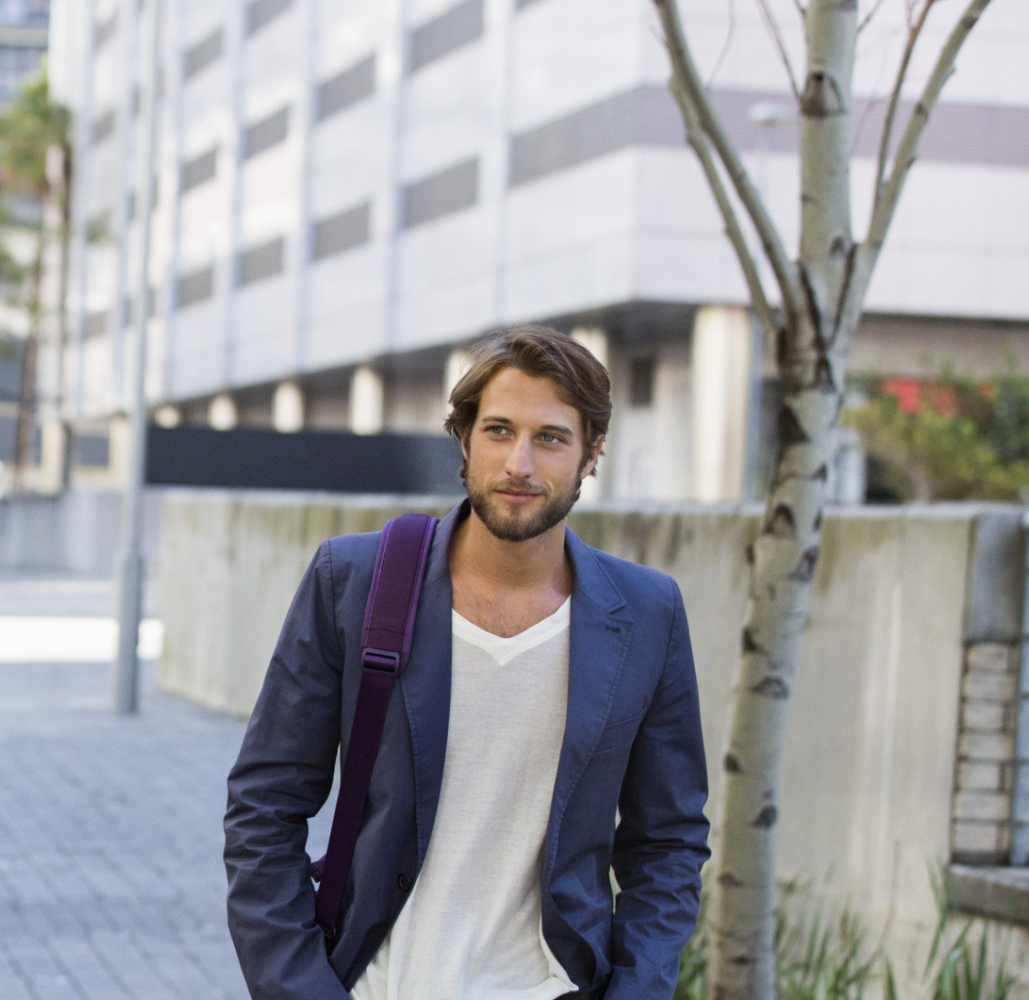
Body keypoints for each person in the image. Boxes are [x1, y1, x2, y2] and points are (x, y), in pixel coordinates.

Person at [223, 325, 709, 1000]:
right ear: (465, 439)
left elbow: (668, 840)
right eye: (499, 430)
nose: (519, 464)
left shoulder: (647, 614)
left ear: (591, 454)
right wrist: (296, 986)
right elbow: (264, 805)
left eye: (551, 438)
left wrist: (636, 987)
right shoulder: (355, 582)